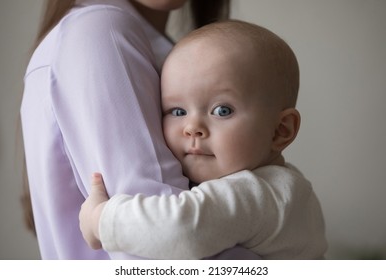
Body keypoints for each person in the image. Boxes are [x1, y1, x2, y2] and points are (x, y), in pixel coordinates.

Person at [21, 0, 259, 260]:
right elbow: (168, 246)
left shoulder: (143, 43)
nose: (192, 129)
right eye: (178, 112)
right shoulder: (102, 31)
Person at [79, 20, 328, 260]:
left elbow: (183, 229)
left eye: (222, 111)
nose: (192, 128)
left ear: (280, 131)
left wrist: (100, 219)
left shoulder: (258, 193)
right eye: (178, 111)